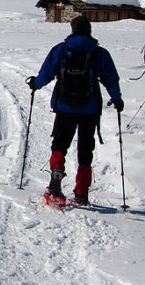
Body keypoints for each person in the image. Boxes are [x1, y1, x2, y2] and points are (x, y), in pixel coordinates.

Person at [27, 15, 123, 205]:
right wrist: (117, 98)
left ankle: (56, 176)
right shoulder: (99, 53)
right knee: (86, 149)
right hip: (90, 108)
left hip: (65, 105)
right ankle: (81, 192)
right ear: (89, 30)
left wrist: (35, 84)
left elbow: (47, 72)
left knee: (60, 144)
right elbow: (111, 78)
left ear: (72, 29)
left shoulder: (61, 49)